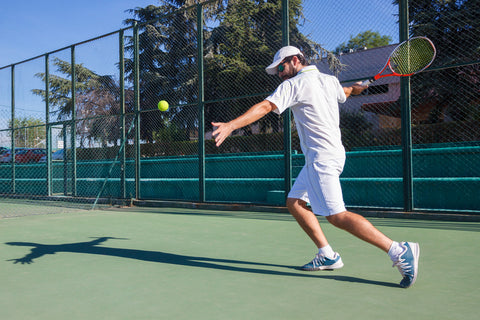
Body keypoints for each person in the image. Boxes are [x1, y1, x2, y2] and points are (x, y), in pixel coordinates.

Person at [212, 46, 419, 288]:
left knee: (337, 216)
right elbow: (346, 91)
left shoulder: (293, 85)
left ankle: (398, 250)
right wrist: (357, 88)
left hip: (321, 158)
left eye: (281, 67)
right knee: (295, 202)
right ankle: (327, 254)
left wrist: (231, 126)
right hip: (330, 155)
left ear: (295, 60)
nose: (279, 73)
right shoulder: (329, 81)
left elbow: (266, 107)